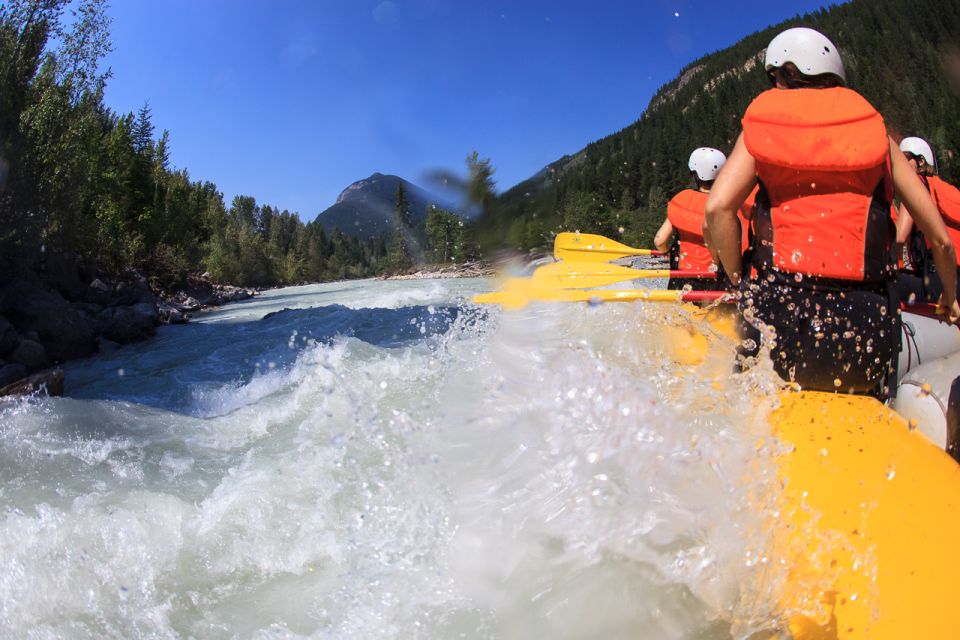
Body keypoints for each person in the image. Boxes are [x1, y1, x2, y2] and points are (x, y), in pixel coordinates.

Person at [704, 27, 960, 397]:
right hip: (863, 332)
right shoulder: (878, 135)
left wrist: (737, 278)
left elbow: (718, 209)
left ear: (786, 72)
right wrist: (950, 297)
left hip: (779, 321)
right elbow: (940, 240)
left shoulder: (763, 124)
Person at [894, 136, 960, 303]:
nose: (898, 165)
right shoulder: (937, 188)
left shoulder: (917, 186)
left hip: (938, 285)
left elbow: (899, 237)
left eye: (904, 159)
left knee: (883, 282)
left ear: (921, 161)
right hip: (953, 283)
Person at [653, 147, 727, 291]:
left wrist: (666, 253)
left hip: (682, 280)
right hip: (714, 281)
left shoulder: (682, 199)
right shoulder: (726, 204)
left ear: (695, 175)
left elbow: (659, 240)